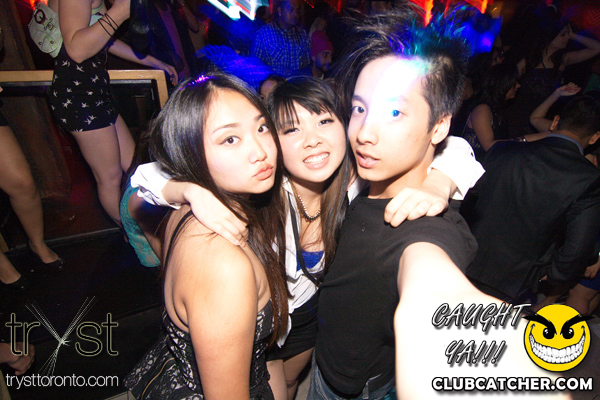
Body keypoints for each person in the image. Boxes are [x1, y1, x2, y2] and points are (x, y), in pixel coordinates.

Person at [130, 74, 483, 400]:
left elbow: (453, 146)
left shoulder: (357, 182)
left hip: (310, 316)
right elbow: (144, 185)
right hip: (259, 317)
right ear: (275, 141)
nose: (313, 140)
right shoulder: (261, 189)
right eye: (291, 129)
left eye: (324, 121)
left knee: (290, 382)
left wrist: (438, 185)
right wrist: (189, 191)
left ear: (347, 126)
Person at [309, 8, 571, 399]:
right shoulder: (360, 171)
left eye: (394, 112)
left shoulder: (427, 229)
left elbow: (433, 284)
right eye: (360, 109)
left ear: (439, 126)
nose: (365, 132)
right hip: (324, 355)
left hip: (354, 386)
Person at [124, 73, 288, 399]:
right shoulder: (223, 266)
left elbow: (136, 199)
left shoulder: (187, 206)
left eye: (261, 128)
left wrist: (185, 189)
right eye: (230, 139)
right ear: (190, 152)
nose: (260, 151)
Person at [46, 0, 177, 225]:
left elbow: (103, 38)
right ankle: (131, 234)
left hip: (95, 89)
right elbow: (76, 49)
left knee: (134, 167)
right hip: (78, 95)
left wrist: (153, 61)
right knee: (110, 177)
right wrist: (120, 11)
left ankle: (144, 227)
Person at [461, 95, 600, 305]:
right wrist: (555, 275)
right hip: (515, 278)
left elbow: (467, 198)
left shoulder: (504, 150)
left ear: (555, 122)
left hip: (464, 257)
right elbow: (579, 246)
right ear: (595, 137)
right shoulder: (588, 178)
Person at [505, 12, 600, 137]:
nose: (566, 38)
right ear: (550, 37)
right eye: (563, 35)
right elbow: (506, 84)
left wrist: (574, 35)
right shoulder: (529, 60)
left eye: (567, 35)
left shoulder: (563, 60)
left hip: (540, 120)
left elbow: (597, 48)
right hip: (516, 117)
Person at [460, 63, 547, 161]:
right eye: (514, 83)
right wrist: (528, 139)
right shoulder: (482, 109)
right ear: (502, 84)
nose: (518, 86)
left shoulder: (497, 109)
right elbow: (489, 145)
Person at [251, 0, 311, 78]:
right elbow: (254, 68)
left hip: (297, 85)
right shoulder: (263, 35)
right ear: (280, 11)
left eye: (297, 10)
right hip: (273, 84)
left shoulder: (302, 35)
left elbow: (308, 66)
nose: (295, 14)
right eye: (291, 10)